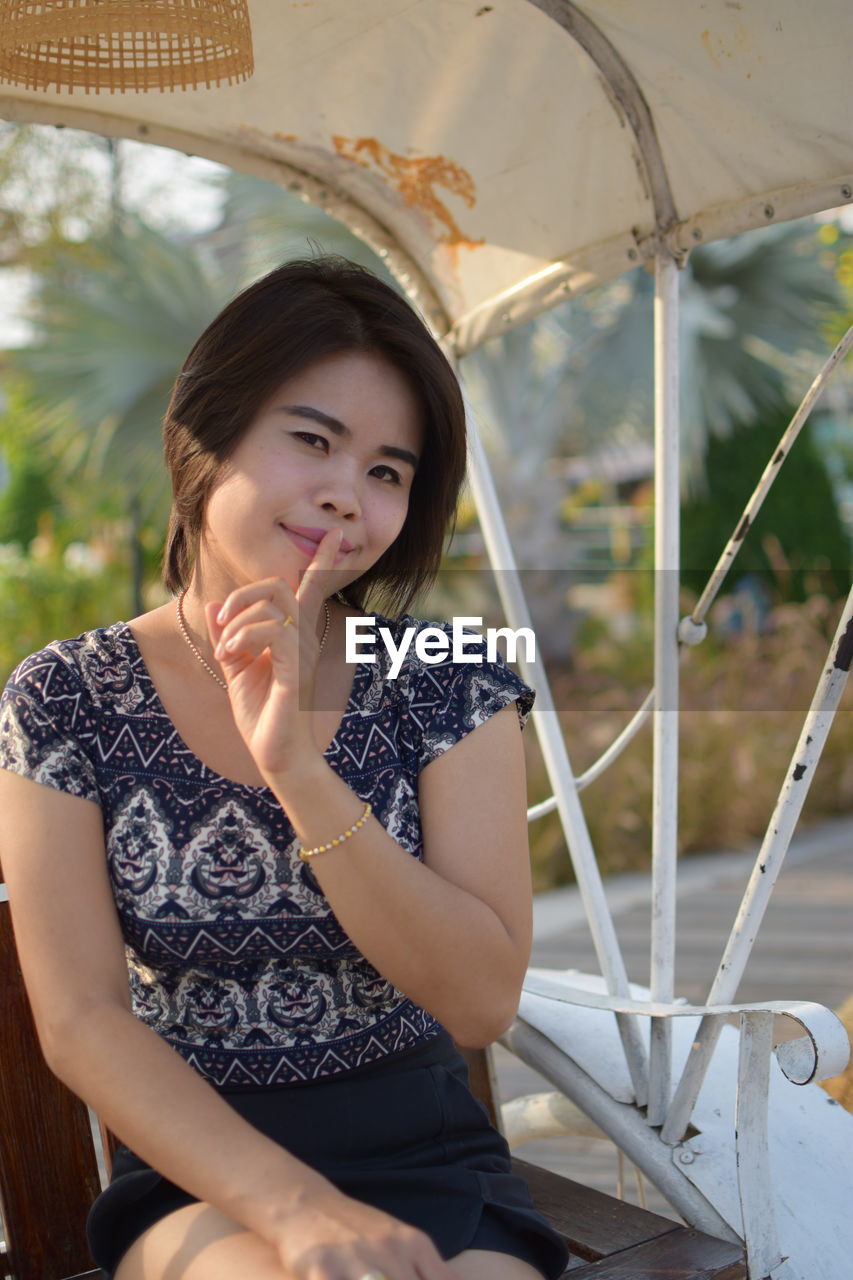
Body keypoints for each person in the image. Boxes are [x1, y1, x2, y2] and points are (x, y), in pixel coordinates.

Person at [0, 258, 569, 1280]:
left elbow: (480, 1001)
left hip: (432, 1159)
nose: (346, 496)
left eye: (388, 471)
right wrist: (298, 1208)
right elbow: (81, 1019)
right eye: (312, 439)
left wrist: (300, 769)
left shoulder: (444, 680)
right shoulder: (66, 697)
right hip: (200, 1176)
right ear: (204, 436)